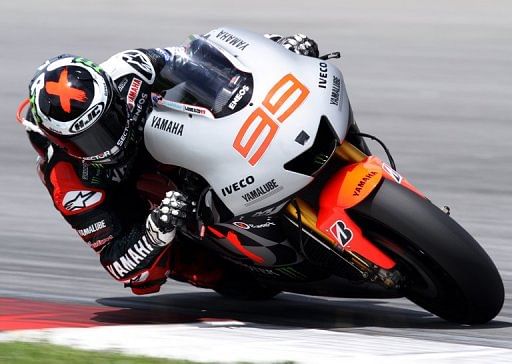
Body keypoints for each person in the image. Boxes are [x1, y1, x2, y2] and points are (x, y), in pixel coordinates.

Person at [25, 31, 319, 295]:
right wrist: (155, 232)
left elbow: (202, 59)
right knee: (222, 278)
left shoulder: (130, 68)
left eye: (109, 121)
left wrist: (278, 53)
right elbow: (118, 264)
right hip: (158, 211)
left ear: (112, 94)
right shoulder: (68, 180)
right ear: (62, 142)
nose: (107, 140)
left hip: (192, 142)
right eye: (88, 140)